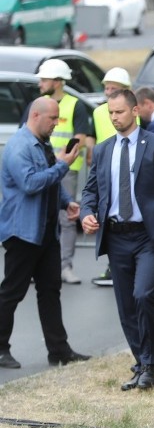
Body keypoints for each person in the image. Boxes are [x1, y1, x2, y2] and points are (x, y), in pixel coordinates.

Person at [80, 89, 154, 391]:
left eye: (119, 112)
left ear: (135, 111)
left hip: (147, 237)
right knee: (125, 305)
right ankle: (143, 362)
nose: (114, 118)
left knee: (143, 295)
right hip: (116, 236)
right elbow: (90, 191)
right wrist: (86, 212)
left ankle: (151, 361)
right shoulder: (103, 150)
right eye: (110, 113)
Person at [0, 98, 90, 369]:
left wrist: (66, 202)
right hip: (22, 233)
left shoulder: (42, 143)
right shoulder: (19, 146)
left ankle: (59, 350)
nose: (56, 124)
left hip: (45, 233)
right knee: (12, 292)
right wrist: (63, 164)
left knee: (50, 291)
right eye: (52, 118)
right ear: (35, 115)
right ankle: (1, 348)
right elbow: (30, 183)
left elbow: (50, 180)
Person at [33, 58, 91, 286]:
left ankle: (65, 266)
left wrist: (61, 160)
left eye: (44, 79)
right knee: (37, 215)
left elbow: (80, 137)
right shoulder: (38, 105)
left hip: (66, 170)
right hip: (43, 168)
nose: (40, 83)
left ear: (57, 82)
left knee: (66, 220)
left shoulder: (75, 105)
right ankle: (35, 266)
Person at [88, 67, 134, 288]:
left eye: (113, 88)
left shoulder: (133, 110)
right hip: (107, 164)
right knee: (108, 213)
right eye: (106, 87)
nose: (108, 91)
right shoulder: (98, 112)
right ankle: (113, 265)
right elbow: (92, 137)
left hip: (129, 166)